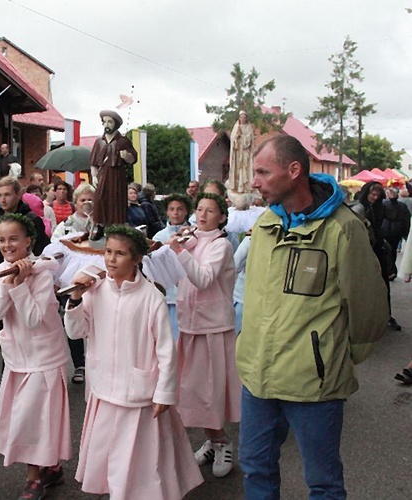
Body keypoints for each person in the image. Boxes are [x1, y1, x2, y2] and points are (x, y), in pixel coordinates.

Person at [237, 135, 388, 499]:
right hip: (256, 379)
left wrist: (332, 359)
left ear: (294, 170)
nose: (253, 182)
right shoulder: (265, 226)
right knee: (255, 467)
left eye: (262, 172)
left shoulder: (342, 227)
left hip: (313, 384)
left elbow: (368, 307)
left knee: (322, 481)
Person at [65, 225, 203, 499]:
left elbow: (165, 350)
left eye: (120, 254)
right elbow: (76, 331)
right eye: (108, 252)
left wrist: (164, 392)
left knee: (141, 460)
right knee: (110, 455)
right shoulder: (96, 291)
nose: (111, 259)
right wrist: (76, 298)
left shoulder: (151, 296)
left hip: (138, 394)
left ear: (137, 259)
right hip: (104, 390)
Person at [0, 214, 72, 500]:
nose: (7, 245)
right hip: (16, 357)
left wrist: (22, 284)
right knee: (27, 417)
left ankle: (34, 477)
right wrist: (10, 283)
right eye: (1, 239)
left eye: (13, 239)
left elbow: (34, 318)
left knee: (34, 419)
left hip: (44, 357)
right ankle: (51, 466)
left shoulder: (43, 273)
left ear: (28, 241)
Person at [168, 193, 240, 478]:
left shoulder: (221, 245)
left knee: (210, 391)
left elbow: (204, 278)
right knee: (191, 390)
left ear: (222, 217)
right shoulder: (191, 238)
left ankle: (222, 441)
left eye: (210, 211)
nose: (202, 215)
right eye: (199, 209)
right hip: (189, 323)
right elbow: (178, 277)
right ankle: (212, 439)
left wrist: (179, 251)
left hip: (212, 327)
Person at [353, 181, 400, 330]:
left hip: (377, 248)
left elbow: (394, 215)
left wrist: (393, 200)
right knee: (363, 285)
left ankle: (386, 315)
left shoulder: (380, 207)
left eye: (377, 195)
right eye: (372, 194)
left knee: (383, 283)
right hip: (364, 249)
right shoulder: (359, 208)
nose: (374, 197)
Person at [152, 193, 194, 341]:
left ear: (187, 211)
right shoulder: (159, 237)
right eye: (172, 209)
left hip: (189, 292)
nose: (176, 213)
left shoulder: (194, 234)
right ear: (167, 212)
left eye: (180, 209)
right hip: (168, 294)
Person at [89, 110, 138, 233]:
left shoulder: (123, 141)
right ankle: (100, 227)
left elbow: (133, 159)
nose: (107, 124)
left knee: (116, 200)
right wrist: (94, 176)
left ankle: (116, 228)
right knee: (100, 199)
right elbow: (94, 162)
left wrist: (126, 156)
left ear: (115, 124)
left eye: (110, 122)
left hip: (117, 175)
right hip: (102, 174)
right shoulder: (99, 142)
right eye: (105, 122)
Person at [0, 177, 49, 258]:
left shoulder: (32, 220)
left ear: (19, 194)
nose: (3, 200)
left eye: (7, 194)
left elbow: (41, 250)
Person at [227, 110, 255, 194]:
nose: (243, 119)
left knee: (245, 169)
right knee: (237, 169)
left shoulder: (248, 128)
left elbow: (249, 140)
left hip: (245, 152)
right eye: (241, 117)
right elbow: (232, 139)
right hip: (237, 153)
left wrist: (242, 137)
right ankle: (237, 185)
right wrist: (236, 136)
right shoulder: (236, 127)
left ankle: (244, 186)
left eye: (244, 117)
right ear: (239, 118)